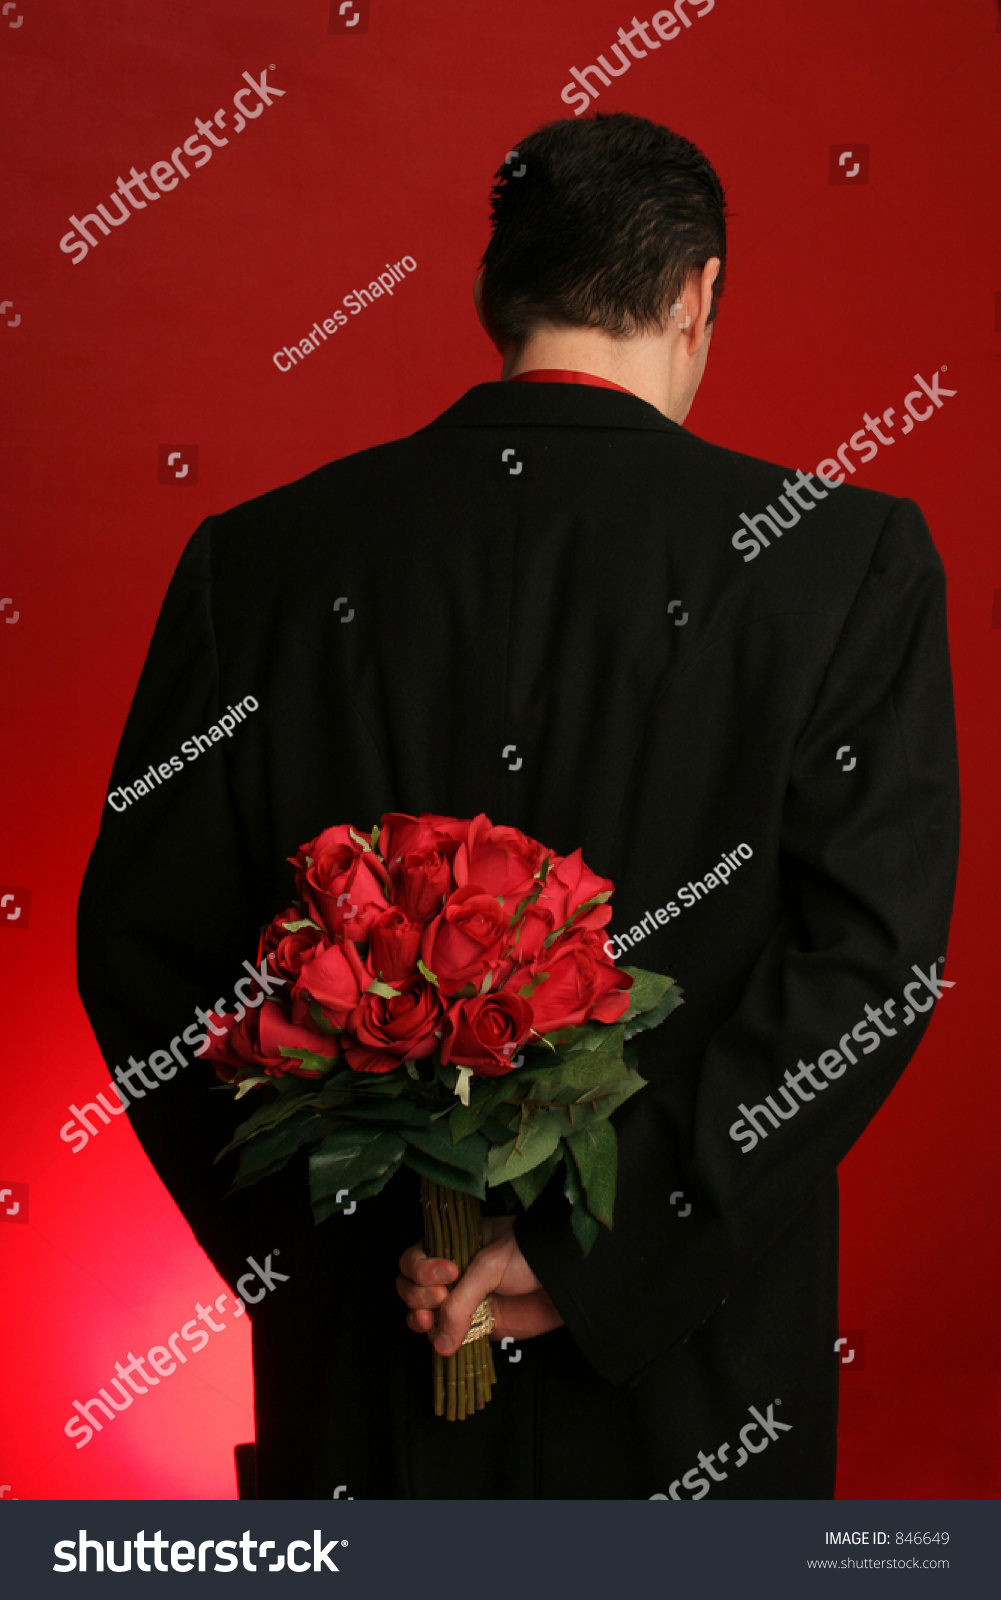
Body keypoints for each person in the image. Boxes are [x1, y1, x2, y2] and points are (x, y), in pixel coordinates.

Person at [77, 112, 959, 1499]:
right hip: (697, 1391)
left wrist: (341, 1253)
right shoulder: (845, 564)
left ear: (497, 294)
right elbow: (865, 966)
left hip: (376, 1369)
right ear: (695, 294)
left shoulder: (252, 564)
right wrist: (606, 1249)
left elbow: (143, 952)